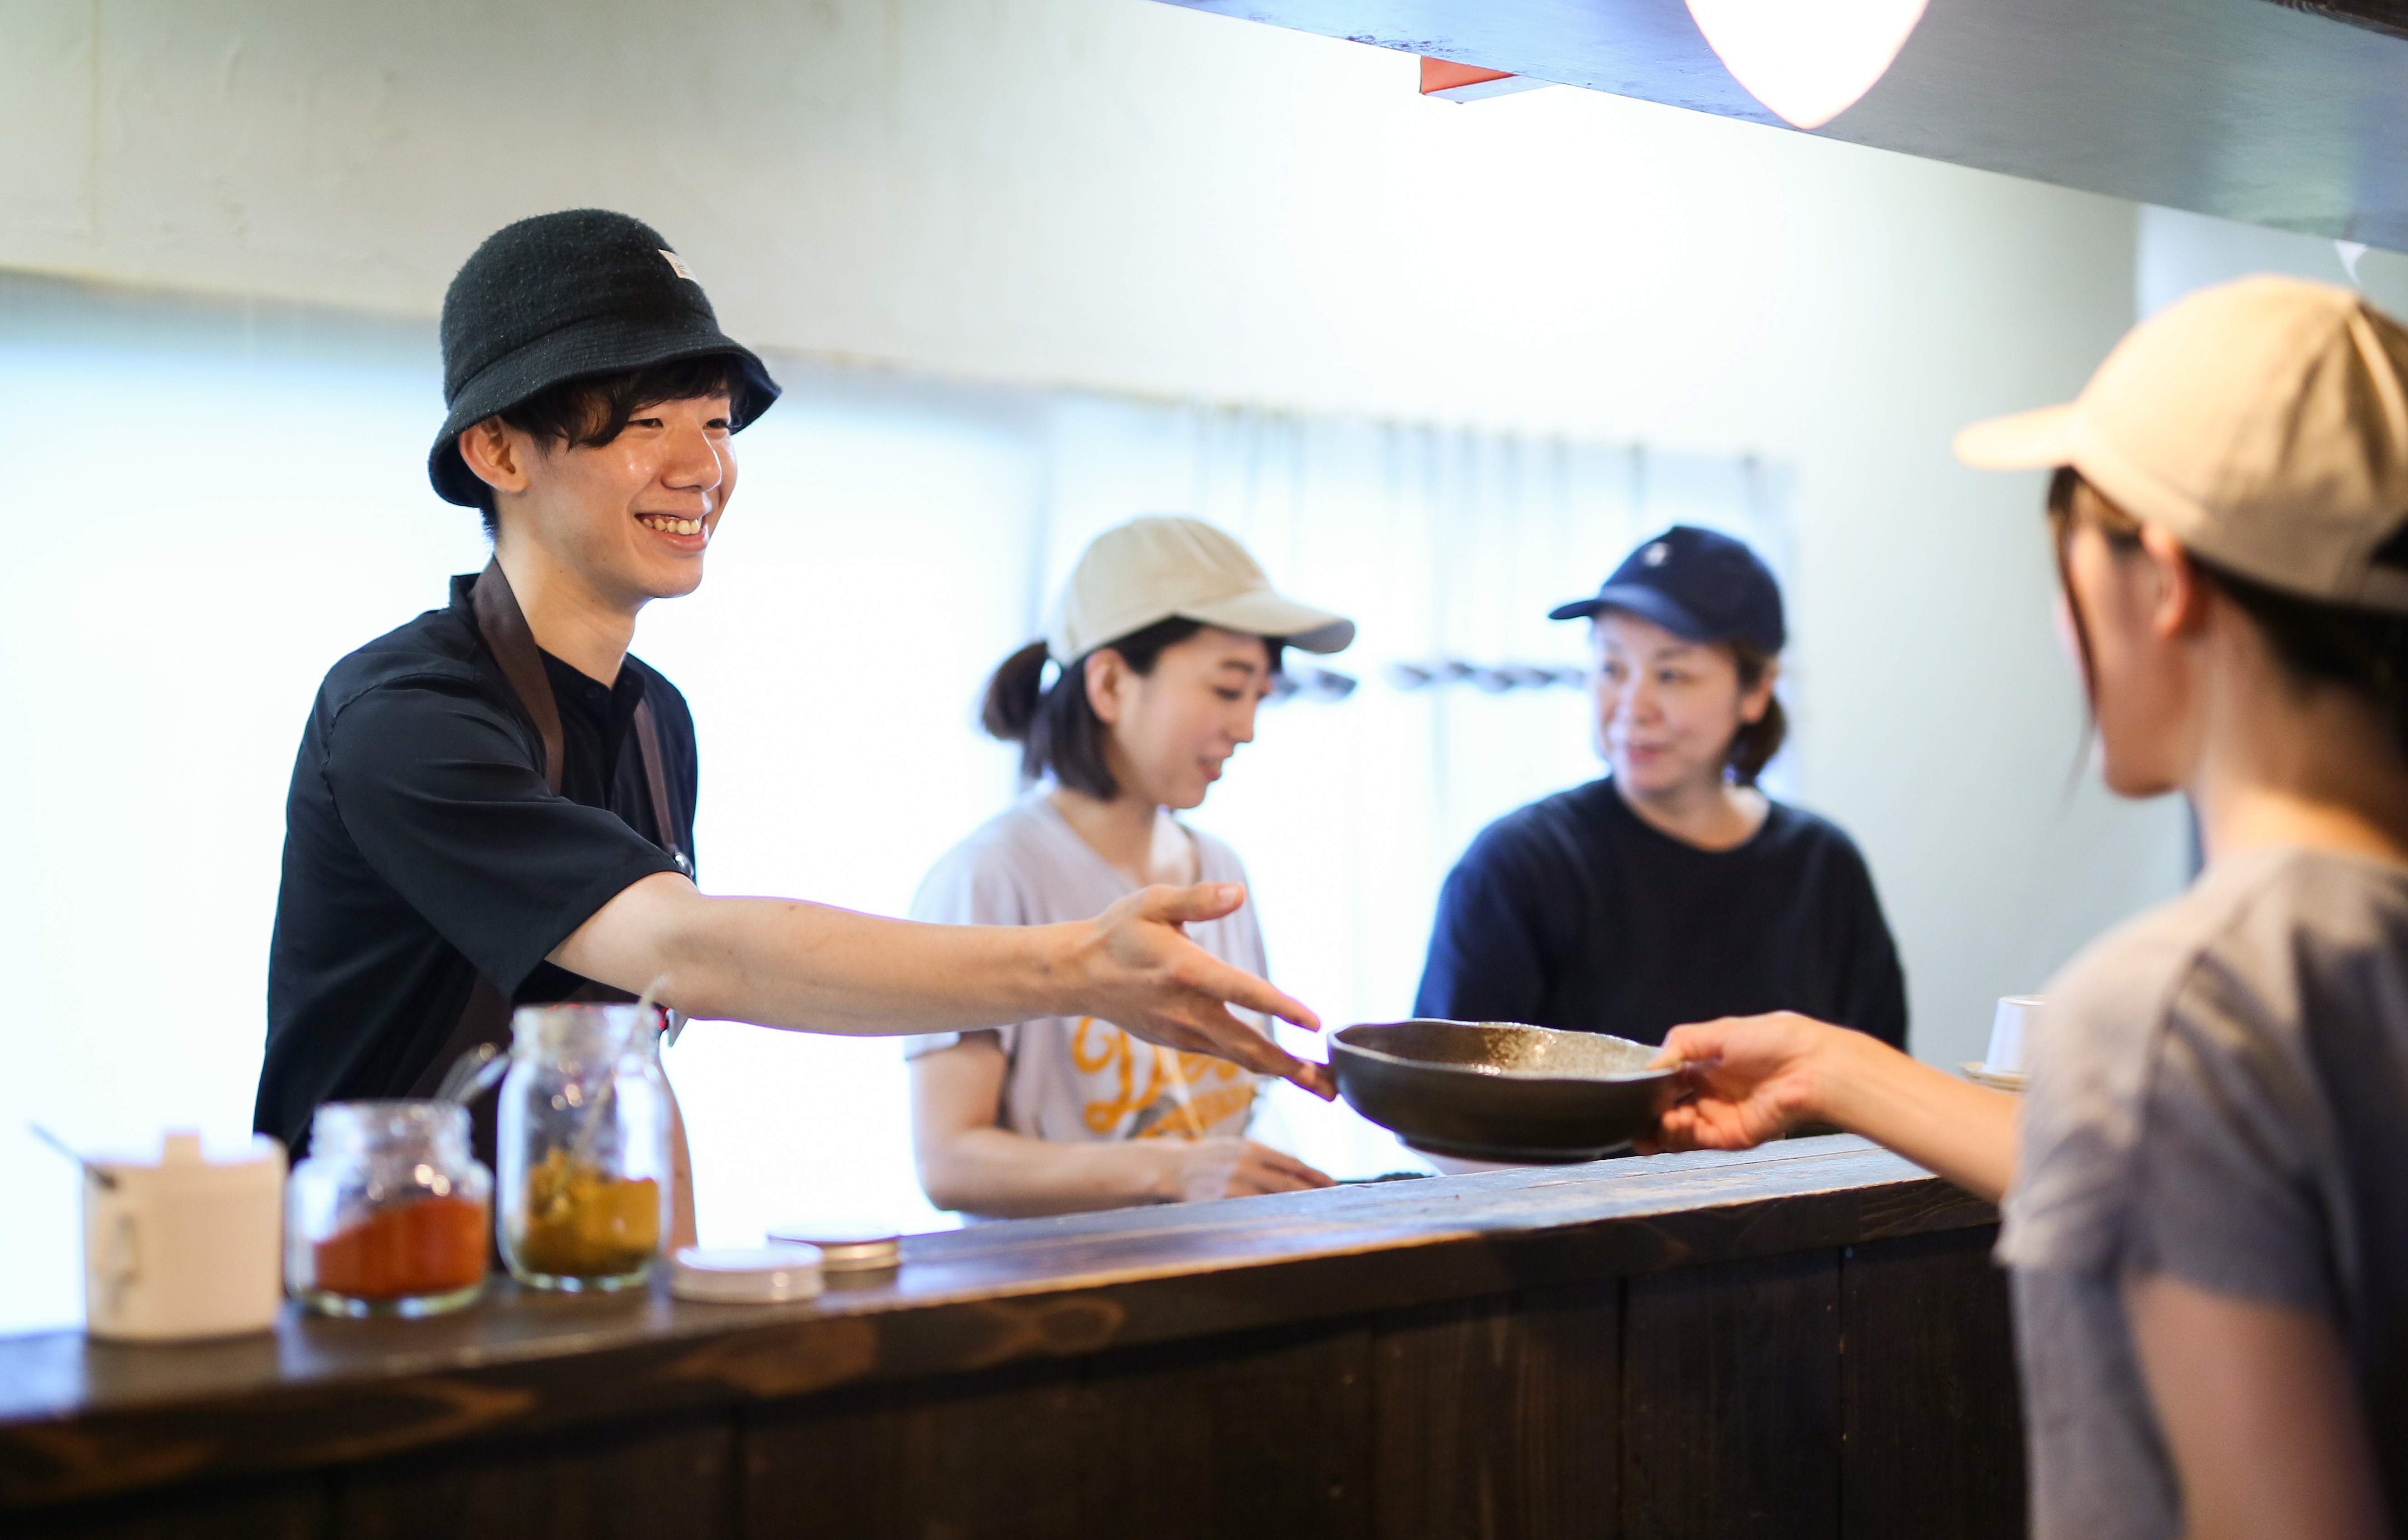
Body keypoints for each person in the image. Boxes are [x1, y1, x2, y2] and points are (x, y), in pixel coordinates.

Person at [255, 213, 1331, 1233]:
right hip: (377, 1297)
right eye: (646, 423)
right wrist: (1076, 969)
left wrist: (671, 1307)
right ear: (498, 453)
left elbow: (637, 1042)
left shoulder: (651, 721)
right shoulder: (404, 718)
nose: (703, 467)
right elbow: (689, 953)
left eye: (716, 422)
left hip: (576, 1289)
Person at [1650, 277, 2408, 1540]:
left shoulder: (2189, 994)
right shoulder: (2325, 960)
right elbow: (2211, 1176)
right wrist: (1836, 1067)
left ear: (2162, 578)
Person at [906, 518, 1352, 1216]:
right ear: (1111, 683)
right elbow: (950, 1159)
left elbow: (1229, 1115)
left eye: (1260, 697)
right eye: (1228, 689)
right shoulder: (990, 875)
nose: (1246, 728)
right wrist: (1171, 1171)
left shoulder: (1218, 868)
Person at [1414, 525, 1906, 1051]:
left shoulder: (1823, 867)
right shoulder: (1517, 866)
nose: (1632, 705)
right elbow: (1440, 1101)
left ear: (1756, 690)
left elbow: (1883, 1088)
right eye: (1611, 667)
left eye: (1671, 674)